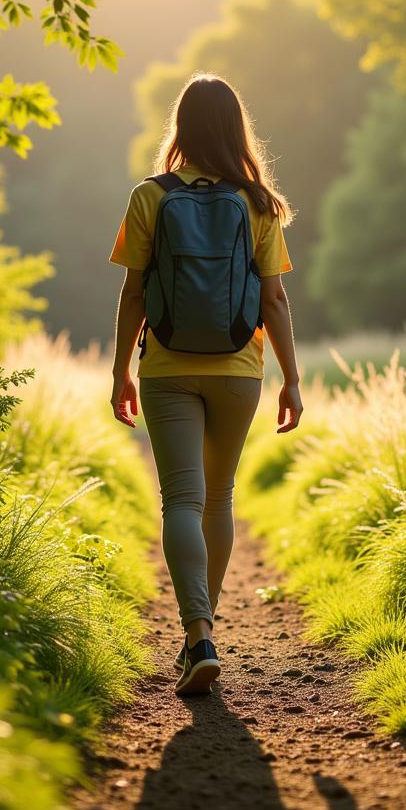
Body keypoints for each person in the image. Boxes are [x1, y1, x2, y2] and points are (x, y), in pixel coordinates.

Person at [108, 73, 304, 696]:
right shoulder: (259, 202)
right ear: (235, 129)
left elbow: (134, 290)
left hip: (166, 367)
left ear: (182, 128)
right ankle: (203, 634)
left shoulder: (150, 196)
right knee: (218, 498)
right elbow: (273, 299)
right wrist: (291, 380)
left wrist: (119, 371)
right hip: (239, 371)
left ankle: (198, 635)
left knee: (182, 501)